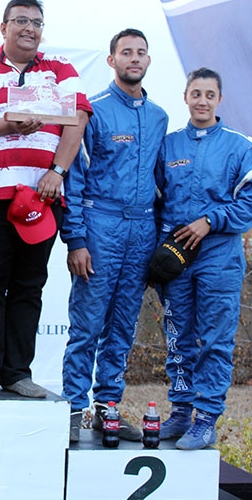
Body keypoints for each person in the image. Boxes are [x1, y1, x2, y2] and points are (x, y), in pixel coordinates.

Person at [0, 0, 90, 398]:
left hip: (43, 195)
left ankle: (18, 372)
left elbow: (76, 120)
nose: (29, 28)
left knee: (30, 284)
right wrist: (10, 126)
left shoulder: (61, 69)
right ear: (4, 27)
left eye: (36, 23)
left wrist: (57, 171)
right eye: (21, 21)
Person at [60, 29, 168, 441]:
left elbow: (162, 184)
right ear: (112, 60)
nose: (134, 59)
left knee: (122, 328)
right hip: (100, 224)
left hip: (142, 230)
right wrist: (78, 240)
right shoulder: (96, 111)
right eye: (126, 52)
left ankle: (108, 408)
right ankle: (72, 409)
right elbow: (74, 179)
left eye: (141, 52)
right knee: (87, 324)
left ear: (148, 60)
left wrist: (161, 240)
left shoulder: (159, 116)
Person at [154, 67, 252, 449]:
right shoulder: (169, 146)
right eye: (195, 93)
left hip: (219, 256)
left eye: (209, 94)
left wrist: (210, 220)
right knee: (177, 337)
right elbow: (153, 200)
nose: (202, 101)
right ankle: (181, 411)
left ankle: (205, 418)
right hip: (176, 260)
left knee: (215, 340)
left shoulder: (239, 146)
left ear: (220, 99)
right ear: (185, 97)